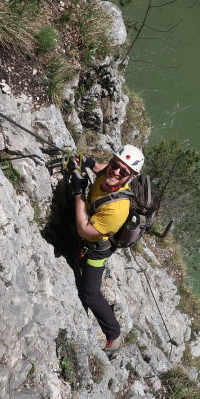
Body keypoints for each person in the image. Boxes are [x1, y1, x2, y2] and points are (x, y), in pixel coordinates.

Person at [70, 144, 145, 356]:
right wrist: (88, 163)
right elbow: (101, 168)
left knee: (90, 294)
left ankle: (114, 334)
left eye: (124, 172)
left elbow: (85, 231)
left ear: (130, 178)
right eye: (115, 165)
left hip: (97, 249)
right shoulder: (109, 172)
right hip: (89, 237)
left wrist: (78, 194)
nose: (115, 172)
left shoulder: (117, 209)